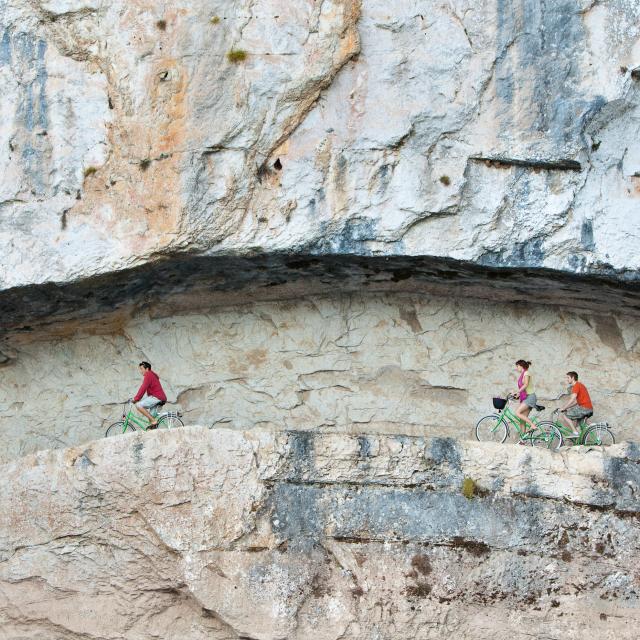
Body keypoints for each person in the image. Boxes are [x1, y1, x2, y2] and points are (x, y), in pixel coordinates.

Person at [132, 361, 167, 429]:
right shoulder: (152, 375)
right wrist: (139, 398)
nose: (140, 371)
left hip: (157, 397)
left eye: (141, 369)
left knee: (139, 405)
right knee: (151, 420)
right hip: (160, 398)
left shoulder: (148, 375)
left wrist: (136, 399)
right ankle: (153, 426)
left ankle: (154, 421)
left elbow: (143, 388)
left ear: (147, 369)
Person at [514, 359, 537, 438]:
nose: (516, 368)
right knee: (522, 421)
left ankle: (532, 425)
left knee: (517, 412)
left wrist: (518, 392)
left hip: (530, 397)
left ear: (521, 366)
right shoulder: (522, 374)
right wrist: (518, 395)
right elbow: (525, 388)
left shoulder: (526, 373)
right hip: (527, 397)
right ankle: (522, 440)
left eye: (517, 366)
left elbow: (526, 384)